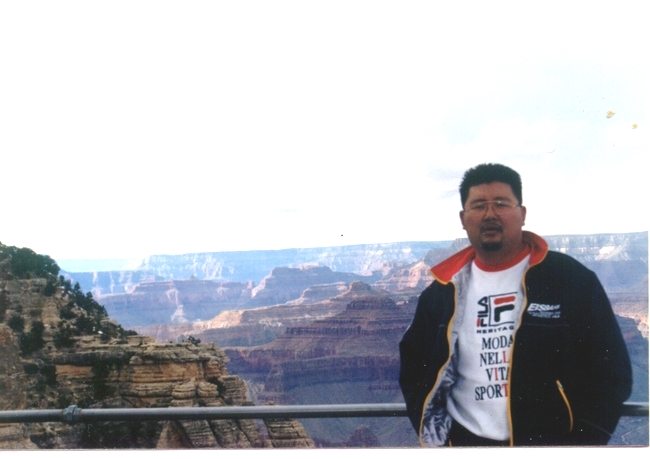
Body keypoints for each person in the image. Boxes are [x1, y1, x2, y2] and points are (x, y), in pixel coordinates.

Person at [399, 163, 632, 446]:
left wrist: (584, 443)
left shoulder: (569, 278)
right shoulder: (441, 292)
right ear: (463, 218)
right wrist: (440, 439)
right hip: (464, 444)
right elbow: (414, 370)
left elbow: (611, 371)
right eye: (478, 206)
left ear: (522, 214)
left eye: (501, 203)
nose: (490, 214)